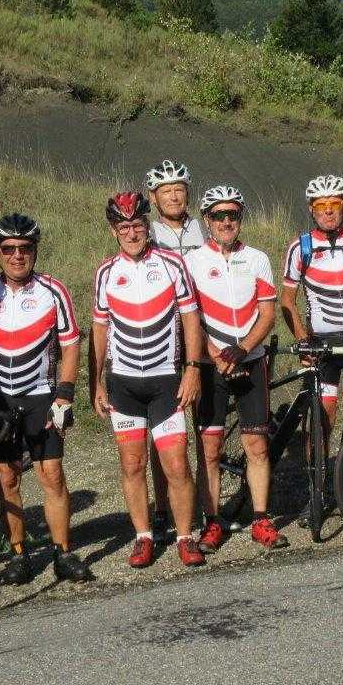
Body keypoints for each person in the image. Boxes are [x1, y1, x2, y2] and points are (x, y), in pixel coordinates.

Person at [0, 213, 94, 585]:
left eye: (25, 248)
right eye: (9, 249)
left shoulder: (53, 290)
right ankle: (19, 554)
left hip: (41, 395)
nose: (17, 256)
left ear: (35, 250)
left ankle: (63, 552)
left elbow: (70, 345)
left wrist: (65, 393)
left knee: (52, 474)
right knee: (7, 477)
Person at [91, 192, 208, 568]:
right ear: (114, 230)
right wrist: (96, 382)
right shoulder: (106, 272)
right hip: (123, 383)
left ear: (147, 226)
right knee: (132, 464)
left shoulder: (173, 263)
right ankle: (143, 537)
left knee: (177, 465)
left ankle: (185, 536)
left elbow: (191, 318)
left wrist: (193, 368)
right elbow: (100, 330)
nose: (132, 233)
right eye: (124, 227)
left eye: (138, 225)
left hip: (165, 383)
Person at [184, 185, 287, 552]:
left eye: (233, 215)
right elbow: (190, 318)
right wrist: (215, 354)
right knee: (210, 449)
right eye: (218, 215)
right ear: (206, 219)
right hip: (210, 365)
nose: (226, 221)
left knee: (257, 445)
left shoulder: (257, 258)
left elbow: (268, 314)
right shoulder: (192, 262)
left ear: (240, 218)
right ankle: (212, 522)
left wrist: (242, 349)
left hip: (251, 359)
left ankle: (261, 519)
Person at [280, 174, 343, 524]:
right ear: (311, 209)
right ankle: (318, 494)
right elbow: (287, 300)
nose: (328, 211)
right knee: (320, 424)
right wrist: (302, 339)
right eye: (321, 205)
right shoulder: (301, 248)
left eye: (334, 204)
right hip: (321, 346)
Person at [144, 159, 206, 539]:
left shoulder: (204, 227)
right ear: (154, 197)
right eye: (165, 190)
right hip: (163, 337)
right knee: (162, 431)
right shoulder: (146, 232)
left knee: (203, 427)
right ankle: (162, 506)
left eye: (179, 189)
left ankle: (201, 504)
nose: (173, 196)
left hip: (200, 332)